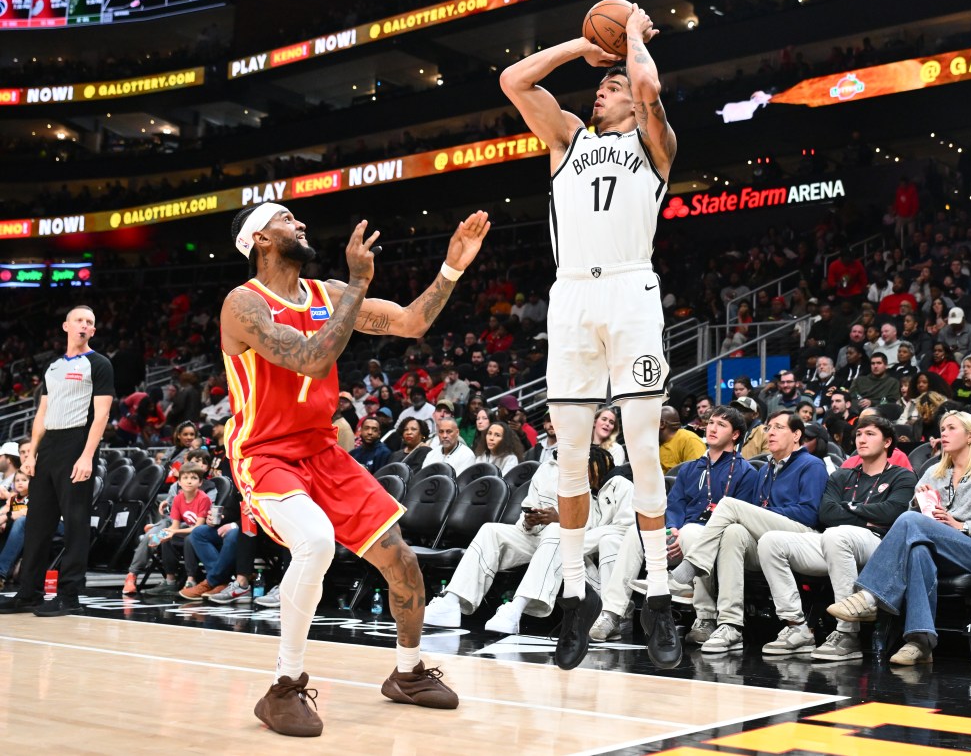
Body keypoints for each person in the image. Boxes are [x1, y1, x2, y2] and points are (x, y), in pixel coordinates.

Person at [218, 203, 489, 735]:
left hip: (324, 453)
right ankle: (283, 688)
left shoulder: (328, 293)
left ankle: (407, 674)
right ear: (261, 240)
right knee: (316, 542)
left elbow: (411, 323)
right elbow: (312, 359)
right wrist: (360, 283)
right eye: (285, 219)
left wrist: (452, 268)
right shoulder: (243, 304)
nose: (299, 224)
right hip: (266, 453)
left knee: (403, 563)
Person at [501, 2, 681, 670]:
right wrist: (583, 44)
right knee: (570, 453)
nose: (600, 88)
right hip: (571, 292)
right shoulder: (567, 138)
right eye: (598, 84)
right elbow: (514, 81)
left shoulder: (654, 140)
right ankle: (575, 596)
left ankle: (657, 597)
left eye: (609, 84)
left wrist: (631, 35)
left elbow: (648, 88)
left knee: (640, 443)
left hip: (631, 289)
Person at [828, 411, 971, 665]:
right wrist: (918, 503)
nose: (943, 433)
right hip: (935, 547)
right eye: (942, 428)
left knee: (910, 524)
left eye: (951, 428)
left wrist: (963, 526)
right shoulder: (933, 473)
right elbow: (912, 518)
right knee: (918, 550)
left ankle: (869, 596)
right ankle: (921, 642)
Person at [592, 406, 758, 645]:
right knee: (635, 532)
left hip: (714, 541)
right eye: (711, 422)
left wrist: (684, 533)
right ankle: (612, 613)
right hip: (679, 536)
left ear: (735, 435)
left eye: (721, 425)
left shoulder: (746, 472)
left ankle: (706, 617)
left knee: (693, 533)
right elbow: (674, 506)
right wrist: (672, 529)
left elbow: (739, 519)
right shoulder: (689, 468)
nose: (712, 428)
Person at [666, 411, 829, 653]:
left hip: (802, 536)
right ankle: (730, 624)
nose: (770, 432)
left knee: (729, 505)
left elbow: (809, 514)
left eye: (778, 427)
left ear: (796, 435)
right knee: (733, 532)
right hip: (768, 539)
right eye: (768, 427)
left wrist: (765, 514)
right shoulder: (765, 471)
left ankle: (696, 562)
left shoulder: (812, 465)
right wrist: (759, 516)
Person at [423, 447, 632, 634]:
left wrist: (562, 519)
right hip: (539, 538)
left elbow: (599, 528)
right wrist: (529, 522)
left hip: (571, 547)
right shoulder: (546, 470)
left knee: (557, 531)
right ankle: (451, 601)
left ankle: (516, 608)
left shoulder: (602, 482)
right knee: (491, 531)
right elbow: (525, 515)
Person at [758, 415, 916, 660]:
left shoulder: (901, 476)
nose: (862, 439)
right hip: (835, 541)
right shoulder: (841, 475)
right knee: (771, 541)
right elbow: (826, 513)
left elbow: (892, 513)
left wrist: (848, 508)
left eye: (870, 434)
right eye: (859, 434)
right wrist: (864, 513)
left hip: (879, 545)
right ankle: (796, 627)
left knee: (836, 534)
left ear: (887, 442)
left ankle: (847, 634)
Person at [0, 305, 113, 618]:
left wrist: (88, 455)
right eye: (78, 320)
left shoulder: (99, 364)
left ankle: (70, 594)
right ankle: (28, 594)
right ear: (66, 326)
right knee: (37, 524)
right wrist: (32, 451)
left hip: (78, 443)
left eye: (89, 322)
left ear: (92, 331)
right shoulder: (53, 367)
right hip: (48, 446)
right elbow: (41, 413)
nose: (83, 325)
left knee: (76, 521)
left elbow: (102, 414)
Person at [146, 463, 213, 596]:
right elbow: (174, 526)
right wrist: (159, 535)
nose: (189, 481)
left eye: (194, 478)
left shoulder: (203, 498)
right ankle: (170, 580)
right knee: (167, 539)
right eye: (185, 478)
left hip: (204, 534)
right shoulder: (177, 498)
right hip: (188, 532)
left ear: (200, 483)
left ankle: (191, 580)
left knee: (189, 539)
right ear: (179, 482)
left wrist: (173, 532)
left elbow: (198, 527)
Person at [0, 470, 33, 591]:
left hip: (33, 526)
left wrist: (6, 518)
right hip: (16, 528)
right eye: (17, 480)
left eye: (24, 480)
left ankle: (1, 572)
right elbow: (3, 511)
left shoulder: (34, 497)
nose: (20, 483)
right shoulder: (13, 499)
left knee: (20, 521)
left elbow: (27, 513)